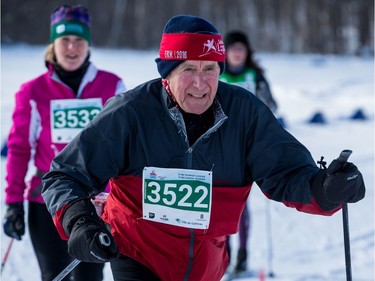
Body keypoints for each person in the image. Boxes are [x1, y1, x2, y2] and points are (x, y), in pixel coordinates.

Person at [41, 15, 365, 281]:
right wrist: (80, 221)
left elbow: (285, 171)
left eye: (210, 69)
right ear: (167, 75)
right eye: (189, 70)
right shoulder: (131, 113)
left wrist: (325, 188)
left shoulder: (244, 113)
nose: (201, 83)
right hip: (139, 254)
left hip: (208, 263)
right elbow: (64, 175)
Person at [3, 4, 126, 281]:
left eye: (79, 40)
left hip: (96, 201)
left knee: (89, 277)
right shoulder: (33, 92)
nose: (72, 47)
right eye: (65, 40)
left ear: (88, 44)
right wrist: (13, 203)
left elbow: (123, 145)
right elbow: (20, 149)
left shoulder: (111, 86)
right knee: (54, 276)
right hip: (45, 200)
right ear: (53, 44)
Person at [219, 30, 278, 274]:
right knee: (220, 203)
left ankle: (241, 255)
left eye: (241, 49)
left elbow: (272, 106)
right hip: (220, 145)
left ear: (246, 52)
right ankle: (225, 252)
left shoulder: (255, 76)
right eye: (233, 49)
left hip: (247, 146)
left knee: (240, 203)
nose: (237, 53)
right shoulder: (215, 73)